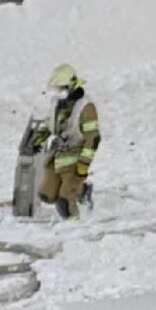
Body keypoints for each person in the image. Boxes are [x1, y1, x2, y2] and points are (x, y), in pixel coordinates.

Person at [36, 64, 99, 220]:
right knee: (47, 195)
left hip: (76, 158)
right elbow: (50, 124)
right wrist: (38, 138)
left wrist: (83, 167)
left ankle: (75, 227)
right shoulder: (58, 103)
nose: (59, 93)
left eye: (61, 89)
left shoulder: (85, 107)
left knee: (64, 202)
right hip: (57, 156)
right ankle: (81, 190)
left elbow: (93, 138)